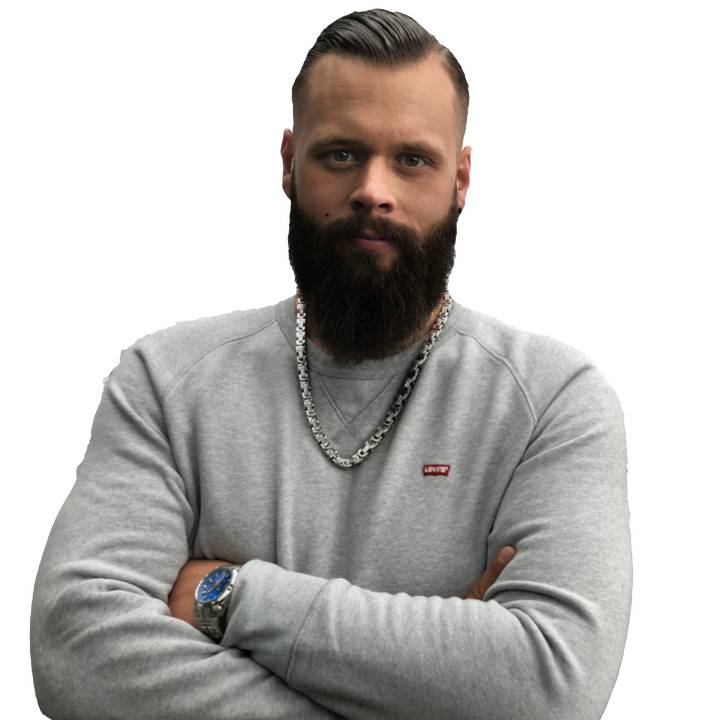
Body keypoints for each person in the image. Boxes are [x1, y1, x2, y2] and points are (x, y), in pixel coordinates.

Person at [30, 8, 632, 720]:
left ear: (461, 178)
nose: (373, 189)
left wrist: (233, 597)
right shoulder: (165, 384)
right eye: (341, 154)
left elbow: (551, 686)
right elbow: (75, 652)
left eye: (412, 159)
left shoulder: (553, 402)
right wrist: (438, 685)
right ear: (289, 163)